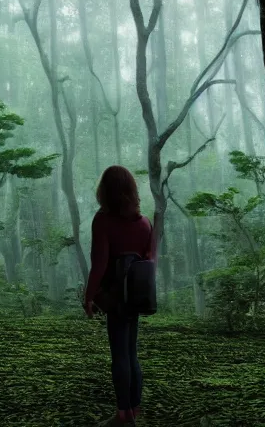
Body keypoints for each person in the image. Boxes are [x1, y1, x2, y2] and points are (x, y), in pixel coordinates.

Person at [84, 165, 153, 426]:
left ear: (105, 191)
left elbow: (99, 263)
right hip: (137, 298)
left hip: (115, 298)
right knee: (131, 353)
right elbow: (149, 260)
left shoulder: (103, 220)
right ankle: (134, 409)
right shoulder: (145, 222)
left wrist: (89, 295)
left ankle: (123, 414)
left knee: (120, 355)